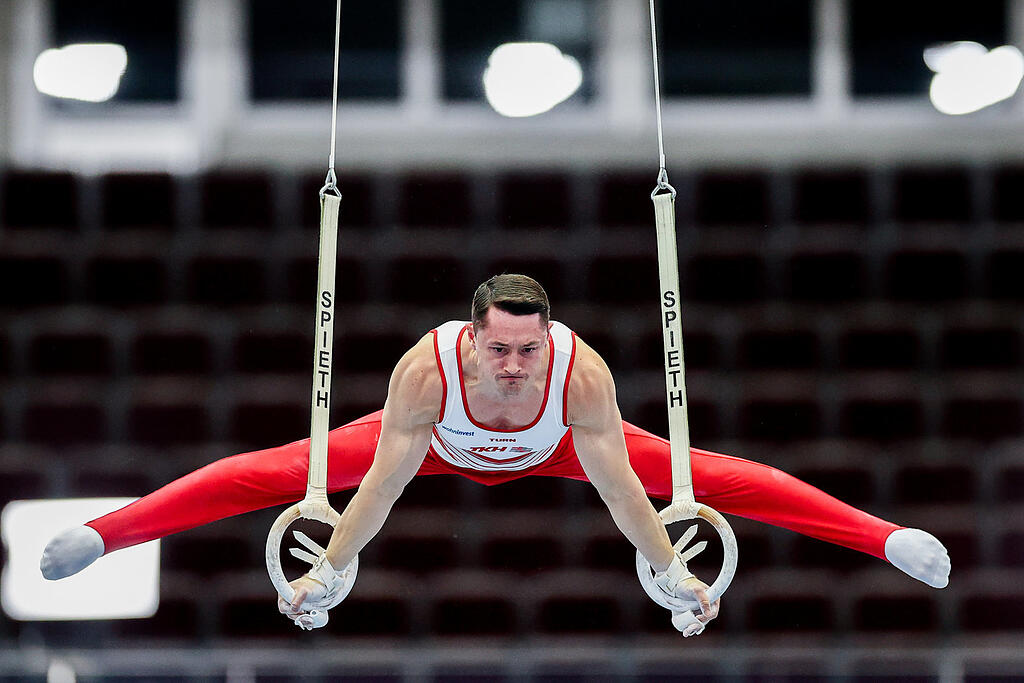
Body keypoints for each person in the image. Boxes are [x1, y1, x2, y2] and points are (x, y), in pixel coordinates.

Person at [41, 274, 950, 636]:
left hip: (561, 450)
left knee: (714, 475)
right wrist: (327, 568)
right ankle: (105, 533)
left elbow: (625, 495)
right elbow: (385, 487)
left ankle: (884, 538)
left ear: (547, 338)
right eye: (501, 348)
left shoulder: (578, 378)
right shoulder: (425, 375)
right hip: (434, 445)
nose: (516, 364)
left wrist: (672, 567)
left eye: (529, 348)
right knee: (277, 470)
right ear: (471, 337)